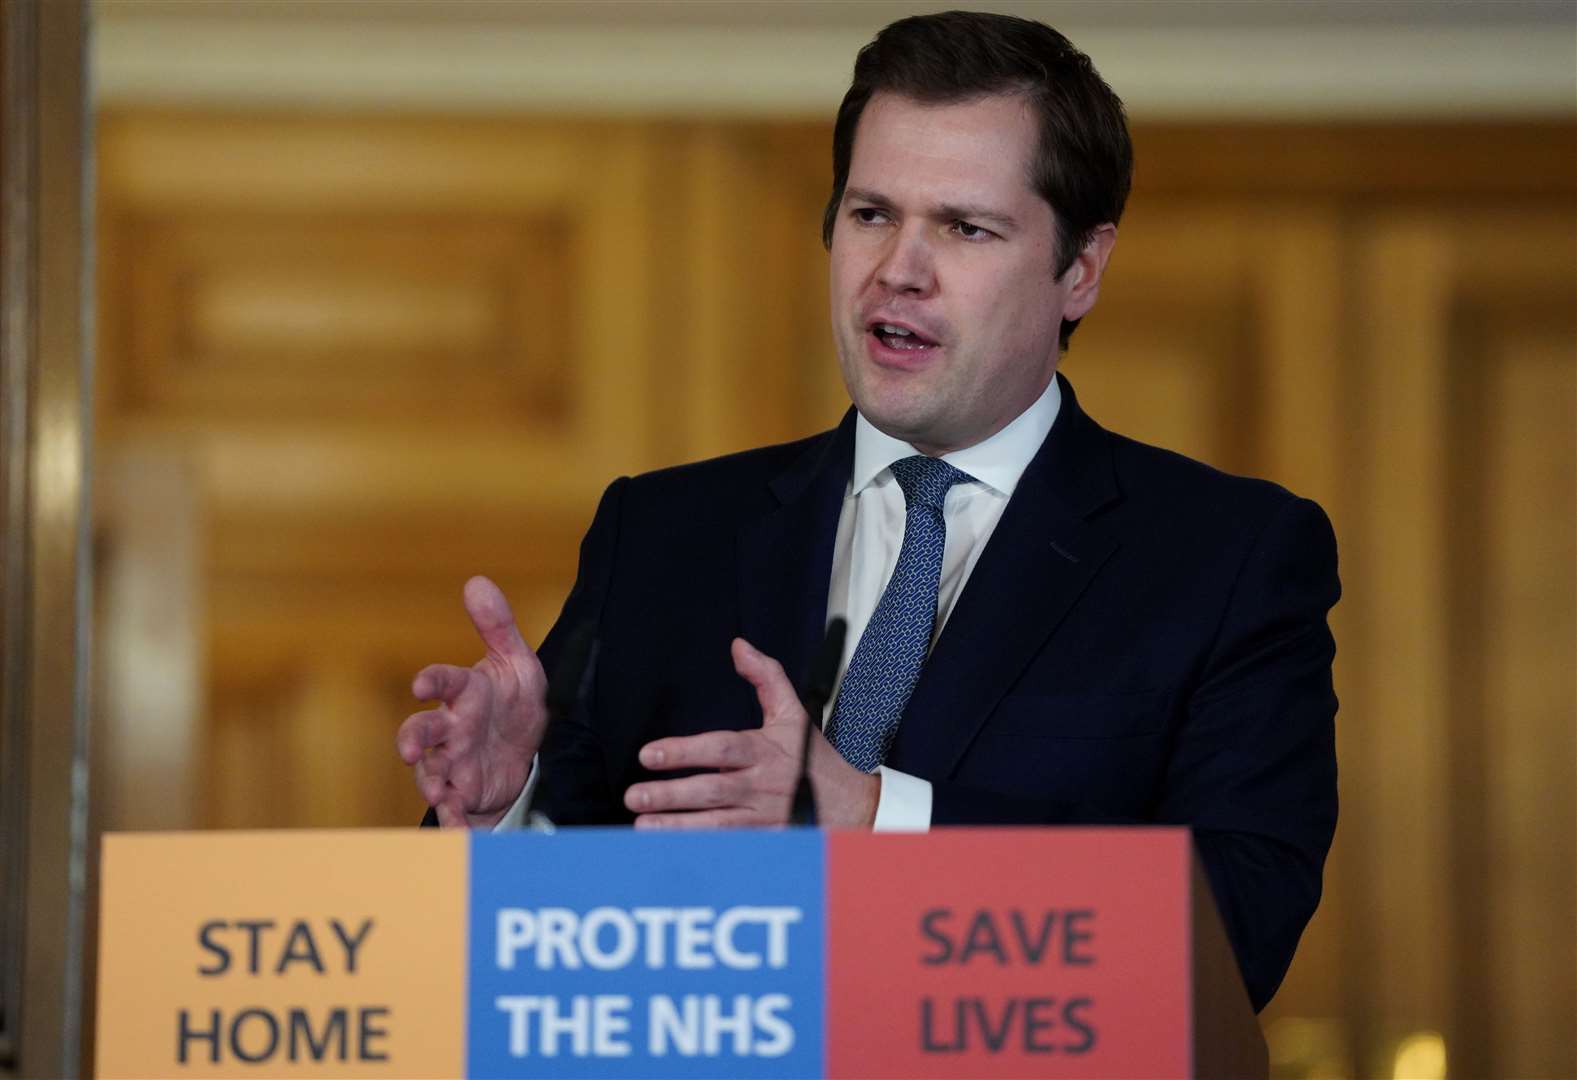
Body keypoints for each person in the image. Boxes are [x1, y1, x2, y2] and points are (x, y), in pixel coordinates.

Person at [396, 10, 1338, 1012]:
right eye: (871, 214)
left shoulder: (1224, 558)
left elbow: (1236, 921)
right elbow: (543, 939)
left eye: (964, 228)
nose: (898, 270)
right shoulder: (663, 533)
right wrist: (509, 805)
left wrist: (877, 819)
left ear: (1079, 270)